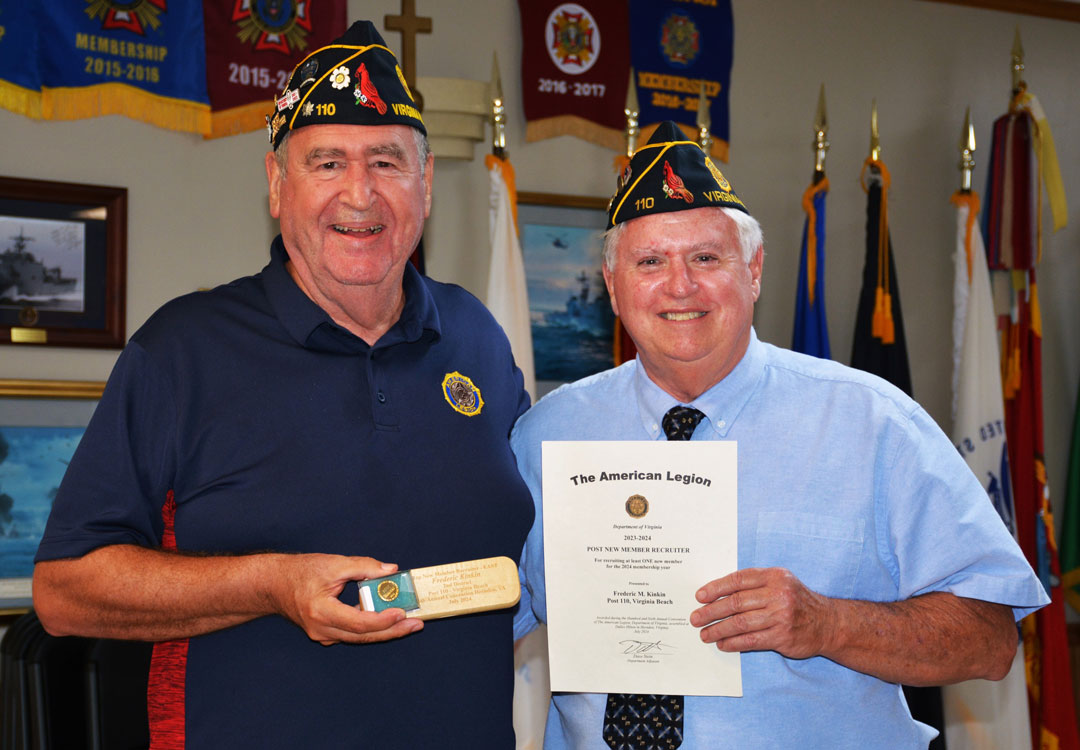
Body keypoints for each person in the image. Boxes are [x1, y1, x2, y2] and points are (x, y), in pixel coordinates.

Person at [32, 21, 533, 748]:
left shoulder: (477, 336)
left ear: (424, 186)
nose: (359, 194)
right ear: (277, 185)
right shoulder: (182, 349)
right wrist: (270, 585)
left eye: (387, 163)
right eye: (326, 163)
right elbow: (64, 590)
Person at [511, 121, 1048, 748]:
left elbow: (990, 640)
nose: (680, 285)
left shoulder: (874, 425)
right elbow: (488, 610)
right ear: (612, 285)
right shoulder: (545, 435)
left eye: (706, 258)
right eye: (650, 261)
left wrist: (828, 624)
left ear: (755, 269)